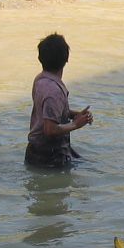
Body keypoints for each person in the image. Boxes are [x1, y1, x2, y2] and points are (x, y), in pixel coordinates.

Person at [25, 33, 92, 168]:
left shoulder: (40, 80)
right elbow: (50, 129)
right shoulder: (54, 91)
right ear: (66, 59)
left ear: (40, 58)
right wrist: (76, 124)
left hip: (36, 151)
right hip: (49, 156)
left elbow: (47, 113)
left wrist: (74, 114)